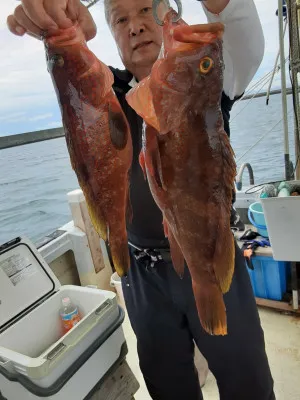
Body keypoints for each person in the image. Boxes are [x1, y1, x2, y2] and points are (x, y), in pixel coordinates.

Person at [7, 1, 276, 399]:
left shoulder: (205, 80)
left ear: (166, 16)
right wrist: (60, 28)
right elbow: (75, 77)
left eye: (147, 10)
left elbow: (243, 38)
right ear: (110, 35)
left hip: (210, 248)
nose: (135, 27)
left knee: (247, 379)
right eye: (120, 19)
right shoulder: (105, 91)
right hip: (142, 274)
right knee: (167, 384)